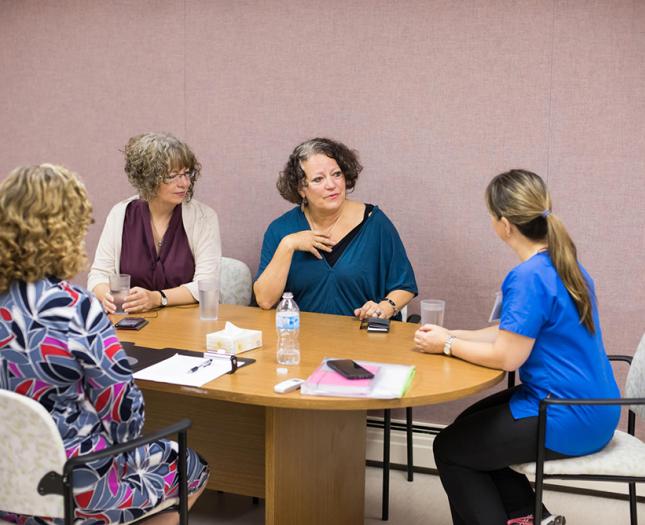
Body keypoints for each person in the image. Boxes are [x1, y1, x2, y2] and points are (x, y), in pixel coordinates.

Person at [0, 165, 209, 525]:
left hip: (7, 483)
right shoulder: (73, 308)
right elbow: (125, 417)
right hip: (73, 486)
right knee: (189, 464)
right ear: (66, 231)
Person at [414, 169, 620, 525]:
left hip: (564, 414)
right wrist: (455, 333)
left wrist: (446, 345)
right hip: (595, 406)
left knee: (450, 449)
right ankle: (530, 518)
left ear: (504, 224)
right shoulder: (566, 264)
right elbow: (512, 332)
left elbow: (508, 356)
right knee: (469, 428)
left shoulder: (526, 278)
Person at [254, 137, 417, 320]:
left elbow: (405, 286)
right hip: (302, 340)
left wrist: (383, 309)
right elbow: (265, 301)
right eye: (318, 179)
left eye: (337, 174)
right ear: (301, 189)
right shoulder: (281, 229)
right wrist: (288, 244)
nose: (332, 185)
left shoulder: (375, 223)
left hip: (364, 339)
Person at [88, 132, 221, 313]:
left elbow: (207, 285)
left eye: (186, 174)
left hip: (186, 325)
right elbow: (98, 276)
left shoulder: (203, 217)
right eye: (173, 176)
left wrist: (157, 298)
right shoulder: (121, 214)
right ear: (149, 179)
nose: (184, 183)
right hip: (131, 323)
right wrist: (107, 297)